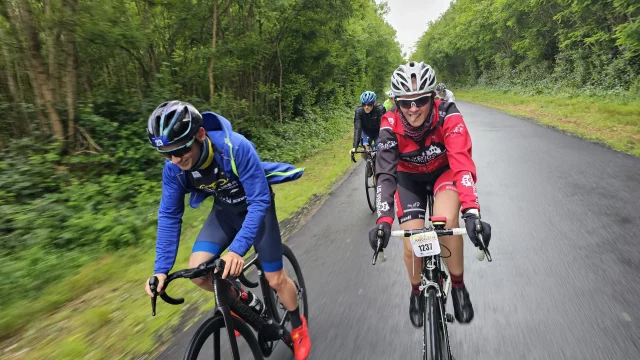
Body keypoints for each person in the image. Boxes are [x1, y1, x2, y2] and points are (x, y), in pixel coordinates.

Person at [143, 101, 311, 360]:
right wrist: (161, 270)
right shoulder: (174, 170)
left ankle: (298, 327)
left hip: (257, 209)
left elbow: (259, 201)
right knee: (198, 273)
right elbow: (169, 215)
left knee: (275, 279)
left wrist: (236, 250)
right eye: (167, 154)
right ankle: (239, 299)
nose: (176, 160)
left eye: (180, 150)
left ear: (200, 134)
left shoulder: (236, 148)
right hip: (224, 213)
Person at [368, 62, 492, 328]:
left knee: (448, 223)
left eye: (421, 100)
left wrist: (472, 211)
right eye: (405, 103)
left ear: (433, 97)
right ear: (396, 102)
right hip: (407, 178)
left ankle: (458, 286)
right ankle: (416, 292)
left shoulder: (448, 114)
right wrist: (383, 220)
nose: (413, 109)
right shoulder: (388, 123)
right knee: (412, 239)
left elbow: (461, 162)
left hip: (442, 173)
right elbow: (386, 174)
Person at [350, 91, 386, 175]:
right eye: (364, 104)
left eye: (369, 104)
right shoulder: (359, 111)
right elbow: (358, 128)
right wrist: (354, 147)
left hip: (378, 132)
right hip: (366, 132)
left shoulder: (380, 109)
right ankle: (369, 165)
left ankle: (379, 167)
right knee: (364, 151)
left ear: (374, 103)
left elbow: (384, 127)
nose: (366, 107)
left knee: (380, 149)